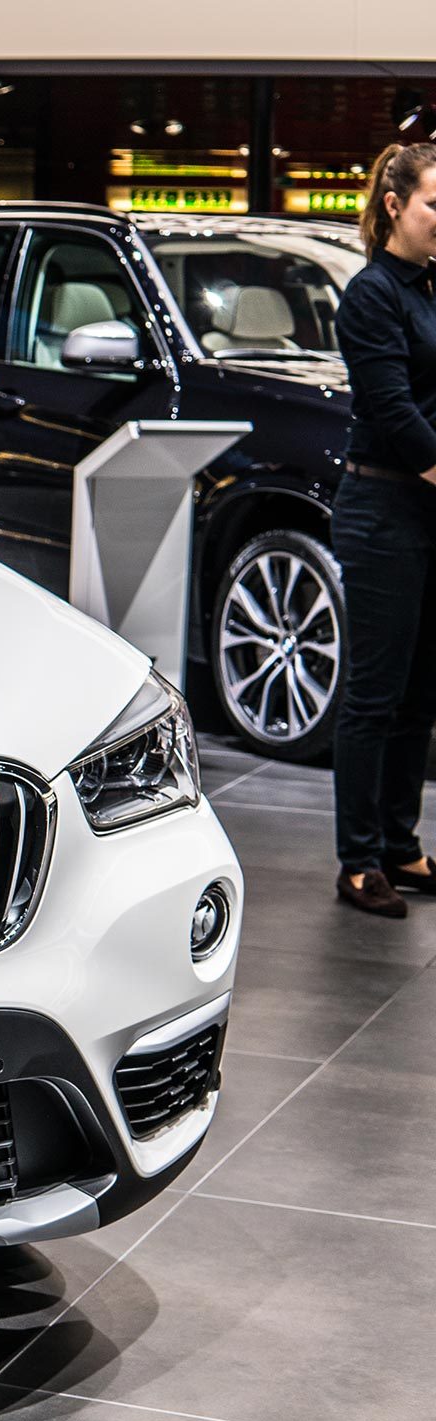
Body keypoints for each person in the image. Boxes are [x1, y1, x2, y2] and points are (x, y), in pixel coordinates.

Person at [332, 141, 436, 917]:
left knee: (420, 693)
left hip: (428, 509)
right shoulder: (371, 294)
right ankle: (360, 860)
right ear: (396, 205)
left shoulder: (433, 289)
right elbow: (395, 413)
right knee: (373, 695)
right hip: (382, 510)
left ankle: (401, 844)